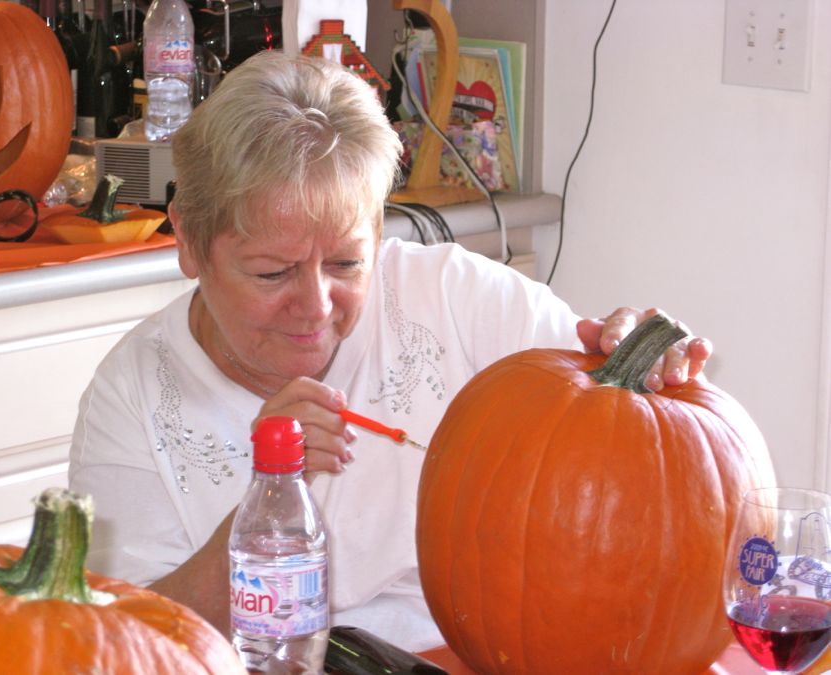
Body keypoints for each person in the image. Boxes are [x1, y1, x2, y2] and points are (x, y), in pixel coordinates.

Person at [68, 50, 711, 653]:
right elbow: (131, 641)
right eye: (272, 273)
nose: (318, 307)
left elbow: (621, 433)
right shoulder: (133, 396)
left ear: (377, 229)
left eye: (347, 261)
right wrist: (266, 508)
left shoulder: (456, 297)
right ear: (188, 242)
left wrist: (641, 355)